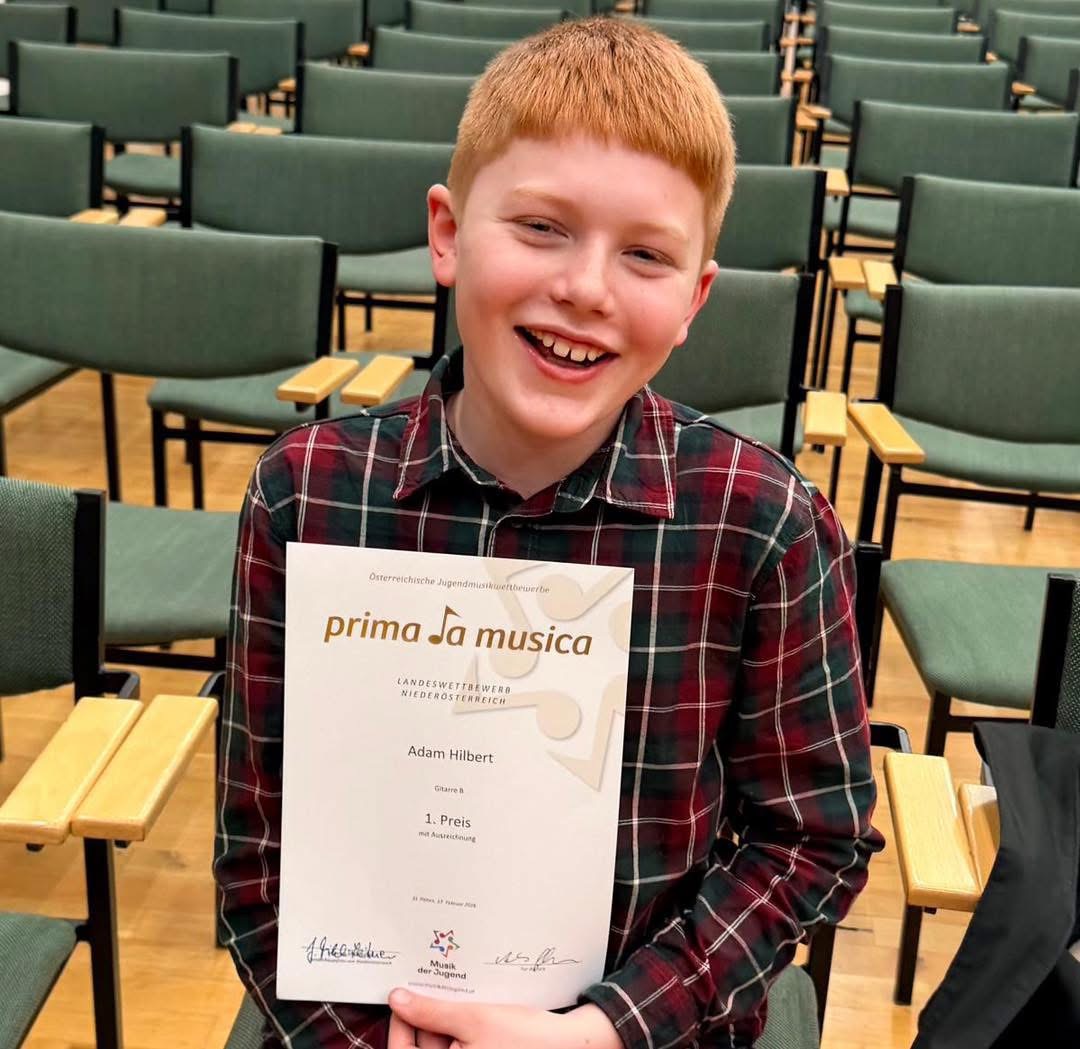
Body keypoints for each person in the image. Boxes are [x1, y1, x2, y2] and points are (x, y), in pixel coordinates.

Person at [215, 16, 883, 1049]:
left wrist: (606, 1029)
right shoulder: (305, 495)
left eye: (647, 254)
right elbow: (257, 850)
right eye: (540, 227)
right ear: (447, 235)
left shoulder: (764, 523)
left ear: (696, 298)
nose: (585, 288)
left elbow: (812, 840)